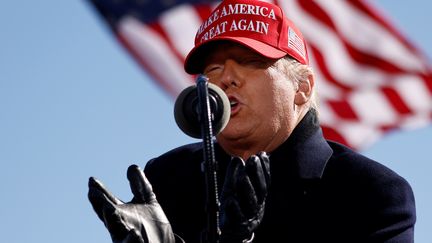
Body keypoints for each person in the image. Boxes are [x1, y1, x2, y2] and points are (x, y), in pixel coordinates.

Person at [88, 0, 416, 242]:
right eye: (212, 70)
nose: (226, 78)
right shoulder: (167, 180)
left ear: (302, 88)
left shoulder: (372, 195)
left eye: (249, 61)